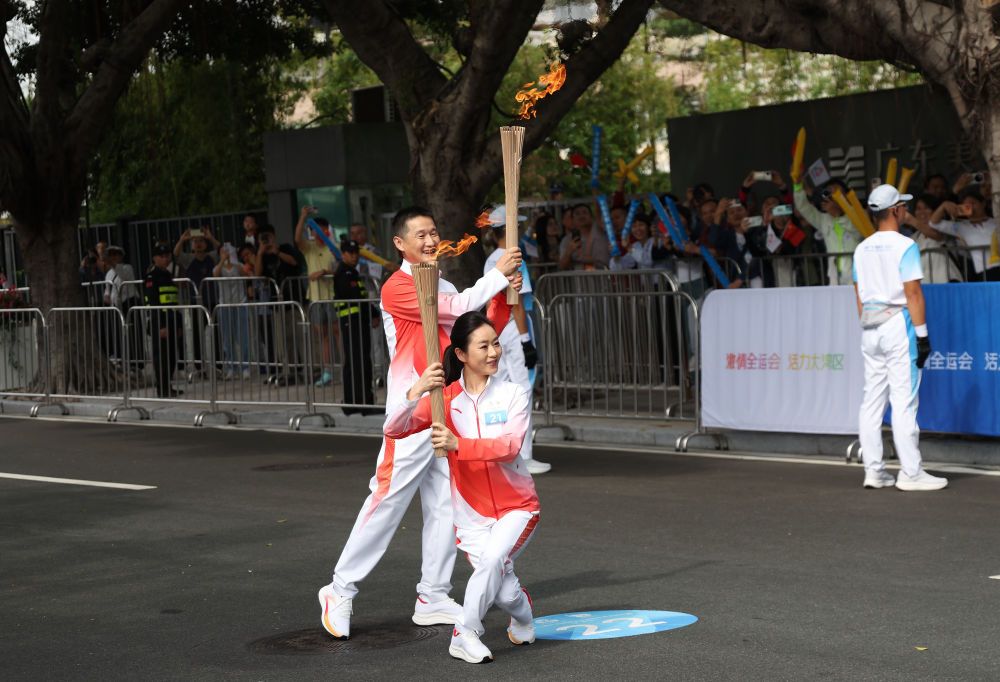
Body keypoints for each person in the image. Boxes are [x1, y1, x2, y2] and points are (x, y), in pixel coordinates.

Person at [318, 206, 523, 640]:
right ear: (400, 243)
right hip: (411, 413)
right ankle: (339, 589)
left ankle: (432, 595)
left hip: (446, 407)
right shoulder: (397, 287)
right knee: (387, 502)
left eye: (433, 233)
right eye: (421, 235)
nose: (431, 241)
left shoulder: (442, 282)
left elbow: (471, 326)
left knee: (446, 505)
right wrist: (497, 274)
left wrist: (504, 294)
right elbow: (457, 306)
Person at [384, 311, 539, 664]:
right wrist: (416, 391)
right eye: (484, 346)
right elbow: (393, 429)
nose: (494, 352)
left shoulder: (513, 394)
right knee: (504, 592)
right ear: (461, 354)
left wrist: (459, 445)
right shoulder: (445, 401)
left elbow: (510, 446)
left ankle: (465, 633)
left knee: (493, 560)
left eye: (496, 343)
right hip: (470, 516)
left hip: (517, 507)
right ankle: (523, 616)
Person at [853, 184, 947, 492]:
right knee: (904, 400)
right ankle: (911, 472)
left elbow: (858, 295)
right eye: (903, 206)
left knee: (872, 401)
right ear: (894, 210)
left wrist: (869, 323)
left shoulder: (861, 248)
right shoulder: (906, 245)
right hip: (897, 326)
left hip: (870, 326)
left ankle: (874, 471)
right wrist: (922, 336)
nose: (906, 209)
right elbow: (913, 293)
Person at [484, 206, 551, 475]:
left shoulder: (491, 260)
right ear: (511, 230)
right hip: (514, 329)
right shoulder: (513, 258)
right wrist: (525, 340)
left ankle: (498, 452)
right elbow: (518, 303)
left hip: (497, 330)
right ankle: (523, 456)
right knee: (522, 391)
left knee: (498, 391)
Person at [294, 206, 338, 387]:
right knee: (323, 335)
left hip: (333, 296)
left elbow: (340, 267)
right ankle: (328, 371)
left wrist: (325, 272)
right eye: (314, 230)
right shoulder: (310, 248)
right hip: (316, 298)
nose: (317, 233)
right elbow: (298, 239)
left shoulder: (334, 247)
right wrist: (303, 216)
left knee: (338, 332)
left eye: (320, 230)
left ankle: (346, 367)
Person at [333, 239, 378, 413]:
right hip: (352, 322)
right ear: (343, 254)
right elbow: (357, 298)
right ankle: (360, 402)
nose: (354, 256)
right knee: (358, 362)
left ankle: (356, 402)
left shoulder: (351, 272)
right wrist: (373, 313)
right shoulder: (345, 273)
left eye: (356, 253)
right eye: (350, 253)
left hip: (357, 321)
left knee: (358, 361)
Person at [792, 175, 861, 285]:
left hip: (857, 276)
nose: (832, 197)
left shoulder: (859, 213)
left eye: (837, 192)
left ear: (847, 196)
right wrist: (797, 186)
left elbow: (860, 234)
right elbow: (803, 207)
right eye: (828, 193)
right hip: (834, 277)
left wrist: (839, 214)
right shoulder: (823, 219)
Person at [926, 187, 997, 281]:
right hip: (984, 271)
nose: (970, 207)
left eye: (973, 203)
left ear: (983, 204)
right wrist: (943, 206)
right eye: (966, 205)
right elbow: (933, 223)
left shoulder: (996, 222)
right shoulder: (961, 227)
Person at [143, 244, 183, 398]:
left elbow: (173, 300)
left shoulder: (167, 274)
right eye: (162, 256)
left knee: (171, 356)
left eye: (167, 256)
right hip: (160, 321)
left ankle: (168, 386)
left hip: (171, 319)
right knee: (162, 357)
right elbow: (152, 302)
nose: (166, 259)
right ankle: (162, 389)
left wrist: (178, 323)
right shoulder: (152, 277)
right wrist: (161, 326)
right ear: (155, 258)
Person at [902, 194, 963, 283]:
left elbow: (935, 235)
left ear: (935, 210)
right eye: (918, 209)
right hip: (925, 285)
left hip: (948, 282)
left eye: (926, 208)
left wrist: (911, 220)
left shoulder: (946, 229)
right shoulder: (914, 237)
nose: (922, 212)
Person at [558, 203, 610, 270]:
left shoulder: (601, 230)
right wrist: (569, 251)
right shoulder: (567, 240)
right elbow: (562, 267)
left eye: (585, 212)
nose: (581, 216)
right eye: (577, 214)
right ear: (573, 220)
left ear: (591, 217)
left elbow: (598, 210)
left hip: (604, 274)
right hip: (579, 276)